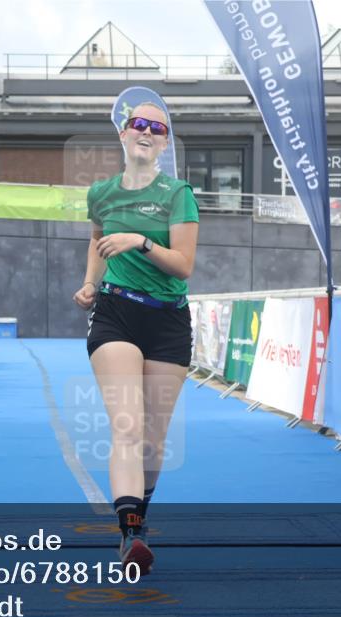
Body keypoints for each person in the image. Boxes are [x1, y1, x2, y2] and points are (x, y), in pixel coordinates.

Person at [73, 102, 200, 575]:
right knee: (127, 426)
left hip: (168, 321)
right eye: (139, 124)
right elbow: (96, 238)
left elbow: (184, 265)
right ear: (124, 134)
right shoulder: (101, 192)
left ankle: (140, 518)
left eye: (157, 127)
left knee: (153, 439)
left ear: (165, 142)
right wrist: (90, 281)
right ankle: (129, 533)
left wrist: (140, 242)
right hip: (116, 314)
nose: (147, 131)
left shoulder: (177, 193)